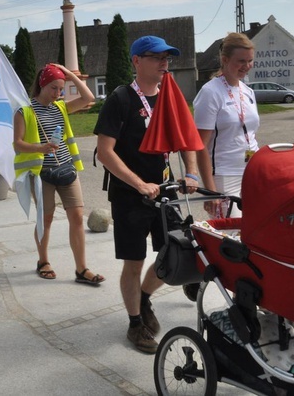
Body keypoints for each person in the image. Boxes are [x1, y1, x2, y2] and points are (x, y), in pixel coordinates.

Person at [94, 36, 199, 354]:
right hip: (130, 197)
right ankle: (135, 323)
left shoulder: (170, 95)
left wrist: (191, 172)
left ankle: (144, 297)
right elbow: (105, 152)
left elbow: (186, 139)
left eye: (167, 56)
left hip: (164, 193)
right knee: (134, 261)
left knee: (175, 254)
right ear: (137, 61)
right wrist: (139, 184)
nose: (164, 62)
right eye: (156, 57)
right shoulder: (121, 98)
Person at [13, 63, 105, 286]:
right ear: (42, 85)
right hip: (42, 172)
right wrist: (39, 148)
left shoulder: (61, 107)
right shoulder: (24, 111)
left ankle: (82, 268)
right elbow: (17, 144)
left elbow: (88, 97)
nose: (58, 94)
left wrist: (69, 73)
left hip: (66, 168)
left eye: (61, 89)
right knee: (46, 218)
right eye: (54, 88)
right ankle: (43, 261)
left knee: (76, 216)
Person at [193, 32, 259, 219]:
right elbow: (200, 146)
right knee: (231, 237)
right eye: (241, 61)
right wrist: (210, 191)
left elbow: (250, 134)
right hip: (224, 176)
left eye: (250, 61)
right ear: (225, 59)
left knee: (253, 233)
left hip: (251, 173)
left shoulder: (247, 91)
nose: (246, 66)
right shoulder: (210, 92)